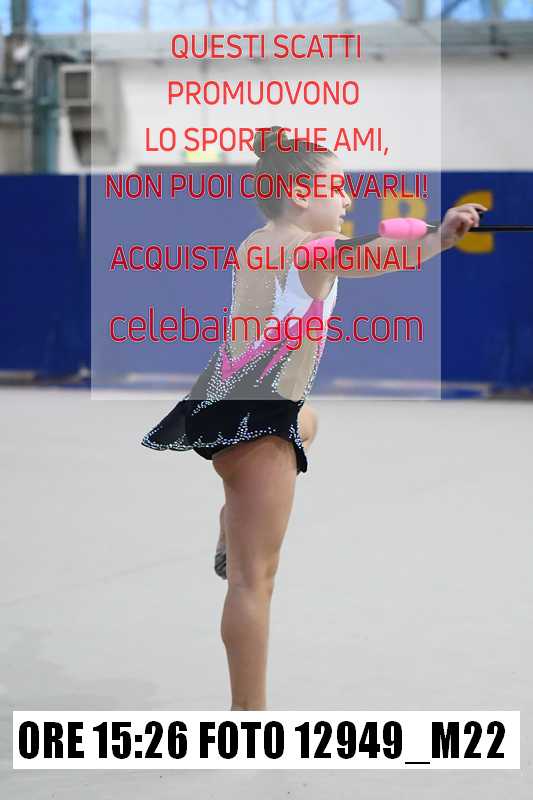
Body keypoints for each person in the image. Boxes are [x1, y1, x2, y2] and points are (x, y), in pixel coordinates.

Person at [142, 126, 487, 710]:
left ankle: (231, 519)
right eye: (340, 187)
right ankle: (248, 719)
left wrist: (426, 232)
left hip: (225, 404)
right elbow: (372, 254)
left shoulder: (256, 242)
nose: (349, 199)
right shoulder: (312, 249)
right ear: (302, 192)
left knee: (309, 421)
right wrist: (440, 237)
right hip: (259, 423)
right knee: (254, 581)